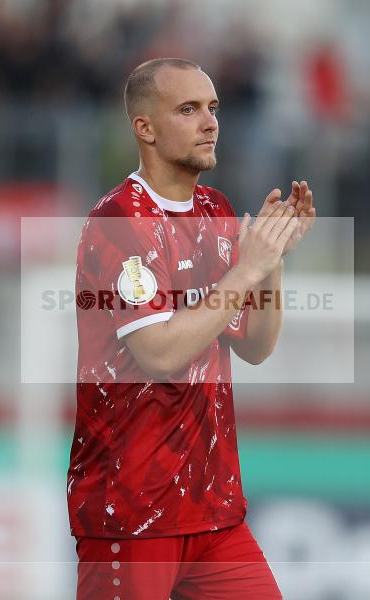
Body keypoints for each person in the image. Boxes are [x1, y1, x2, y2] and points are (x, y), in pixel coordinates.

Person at [68, 57, 315, 599]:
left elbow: (254, 345)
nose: (210, 122)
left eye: (213, 108)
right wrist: (246, 269)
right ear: (145, 128)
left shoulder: (215, 210)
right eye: (188, 109)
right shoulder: (119, 222)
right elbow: (157, 352)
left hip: (213, 511)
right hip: (131, 511)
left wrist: (270, 260)